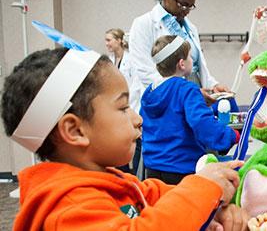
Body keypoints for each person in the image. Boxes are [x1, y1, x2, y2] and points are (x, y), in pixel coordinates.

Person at [2, 47, 247, 230]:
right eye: (122, 108)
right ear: (75, 131)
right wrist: (202, 189)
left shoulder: (111, 180)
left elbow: (153, 193)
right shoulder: (69, 207)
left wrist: (210, 210)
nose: (137, 119)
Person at [140, 35, 240, 185]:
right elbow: (202, 123)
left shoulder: (149, 93)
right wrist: (232, 136)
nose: (192, 61)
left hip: (152, 169)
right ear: (182, 64)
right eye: (190, 57)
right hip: (181, 169)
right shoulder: (187, 89)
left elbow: (166, 119)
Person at [129, 0, 229, 108]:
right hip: (163, 101)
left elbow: (199, 68)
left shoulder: (190, 28)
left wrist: (214, 86)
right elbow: (145, 72)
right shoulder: (144, 24)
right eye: (184, 5)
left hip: (191, 98)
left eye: (191, 6)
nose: (187, 10)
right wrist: (185, 91)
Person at [104, 28, 142, 175]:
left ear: (119, 40)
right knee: (120, 142)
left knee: (137, 142)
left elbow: (135, 86)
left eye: (109, 40)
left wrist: (125, 104)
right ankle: (122, 174)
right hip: (119, 107)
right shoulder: (110, 61)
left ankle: (135, 177)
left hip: (132, 106)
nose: (106, 43)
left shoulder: (131, 59)